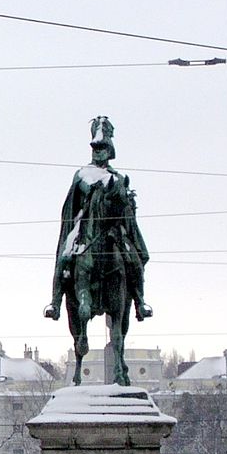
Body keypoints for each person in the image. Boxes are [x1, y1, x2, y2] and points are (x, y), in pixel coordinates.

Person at [44, 116, 151, 324]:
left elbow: (125, 208)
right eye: (95, 147)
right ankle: (55, 302)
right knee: (65, 256)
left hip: (114, 229)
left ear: (109, 149)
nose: (98, 151)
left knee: (134, 259)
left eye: (102, 147)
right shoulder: (83, 175)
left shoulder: (118, 178)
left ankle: (140, 301)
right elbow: (75, 201)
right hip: (84, 228)